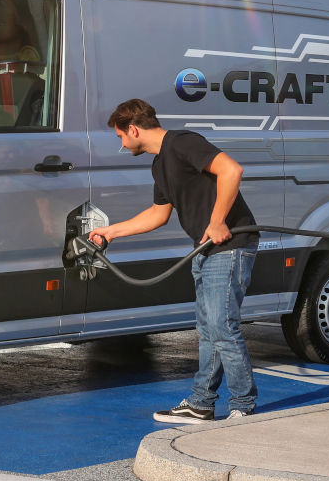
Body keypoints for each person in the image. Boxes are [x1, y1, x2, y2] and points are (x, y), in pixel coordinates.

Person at [87, 98, 259, 423]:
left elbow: (231, 170)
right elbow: (157, 215)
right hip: (204, 250)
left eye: (121, 136)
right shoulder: (159, 164)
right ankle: (202, 402)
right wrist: (111, 232)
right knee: (208, 330)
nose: (122, 144)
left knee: (222, 326)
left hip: (232, 244)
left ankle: (244, 408)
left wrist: (218, 221)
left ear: (134, 129)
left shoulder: (182, 142)